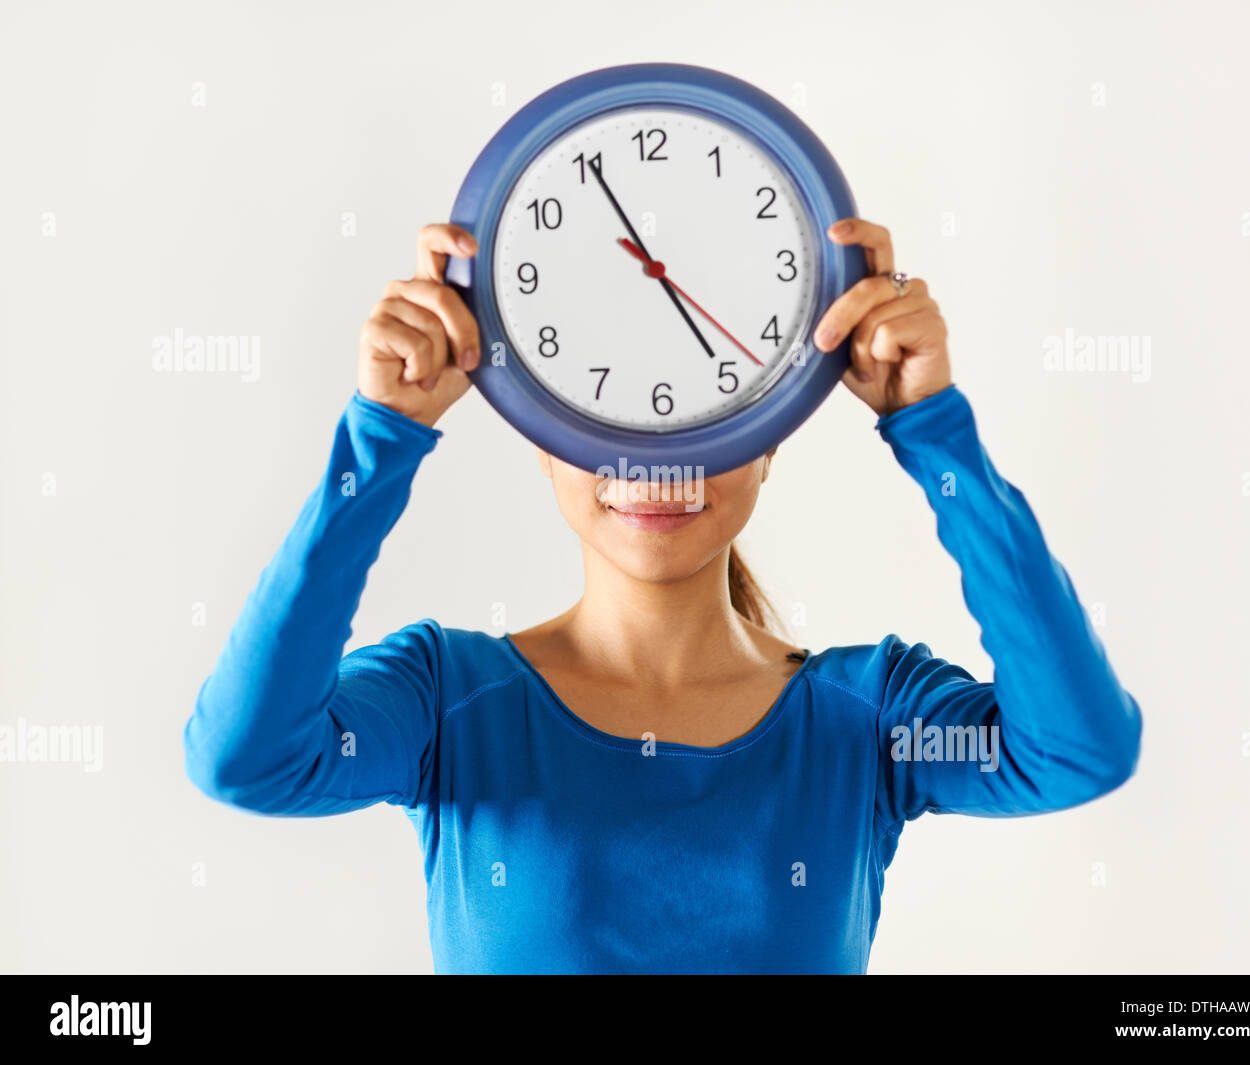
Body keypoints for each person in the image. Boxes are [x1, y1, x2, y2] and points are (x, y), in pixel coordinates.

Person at [182, 218, 1142, 974]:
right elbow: (246, 756)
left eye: (704, 408)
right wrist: (382, 435)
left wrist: (932, 428)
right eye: (607, 406)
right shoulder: (445, 703)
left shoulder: (868, 720)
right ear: (537, 435)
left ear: (773, 437)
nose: (656, 459)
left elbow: (1077, 748)